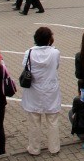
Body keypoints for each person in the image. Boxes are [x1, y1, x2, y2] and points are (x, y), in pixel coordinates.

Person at [21, 27, 61, 156]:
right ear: (49, 39)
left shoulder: (29, 52)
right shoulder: (55, 52)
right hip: (50, 90)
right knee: (53, 120)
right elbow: (56, 66)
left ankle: (34, 148)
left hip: (34, 90)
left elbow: (25, 67)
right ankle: (54, 148)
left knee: (34, 122)